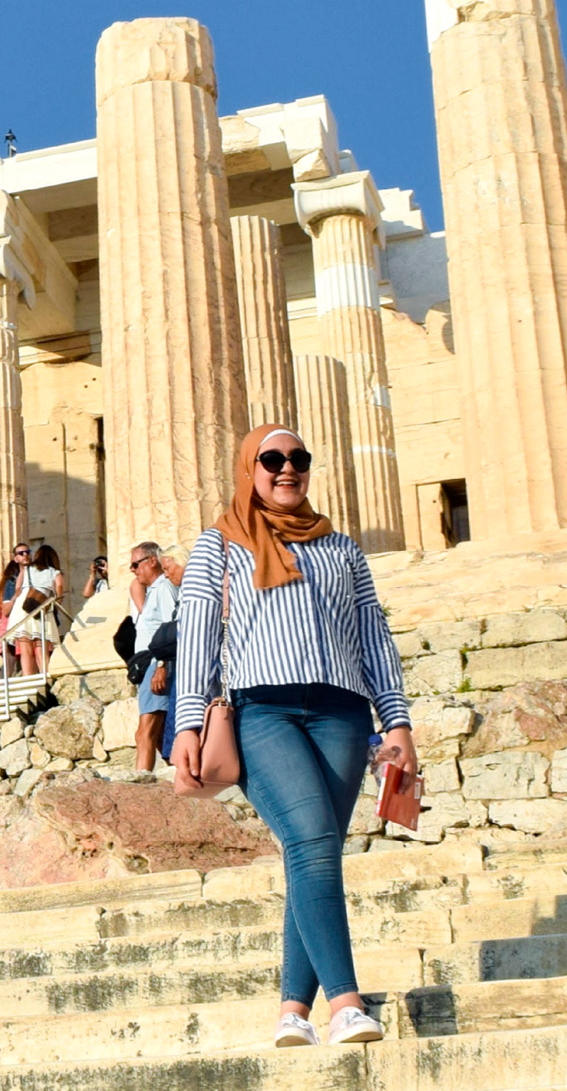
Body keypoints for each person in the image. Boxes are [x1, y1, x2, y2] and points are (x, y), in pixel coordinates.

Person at [173, 425, 418, 1049]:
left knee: (315, 856)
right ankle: (346, 1003)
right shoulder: (219, 545)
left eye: (299, 459)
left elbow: (373, 639)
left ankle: (292, 1010)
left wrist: (397, 724)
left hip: (342, 712)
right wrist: (188, 723)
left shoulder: (341, 549)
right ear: (248, 468)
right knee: (309, 839)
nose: (288, 469)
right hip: (261, 712)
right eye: (272, 459)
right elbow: (198, 636)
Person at [127, 541, 178, 772]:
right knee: (156, 734)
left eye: (136, 564)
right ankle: (176, 771)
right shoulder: (153, 591)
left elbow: (171, 629)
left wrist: (161, 666)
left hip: (156, 663)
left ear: (152, 561)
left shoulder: (164, 588)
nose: (133, 570)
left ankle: (141, 780)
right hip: (149, 664)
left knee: (144, 731)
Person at [9, 544, 65, 677]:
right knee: (41, 647)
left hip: (23, 606)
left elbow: (18, 588)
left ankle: (28, 678)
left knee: (25, 647)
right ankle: (45, 675)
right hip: (42, 607)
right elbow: (60, 589)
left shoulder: (27, 569)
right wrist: (56, 599)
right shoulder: (54, 572)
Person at [0, 545, 28, 671]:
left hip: (17, 623)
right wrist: (16, 596)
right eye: (21, 553)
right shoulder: (11, 583)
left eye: (27, 552)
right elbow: (5, 610)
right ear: (15, 558)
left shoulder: (2, 586)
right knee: (15, 658)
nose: (25, 555)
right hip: (13, 623)